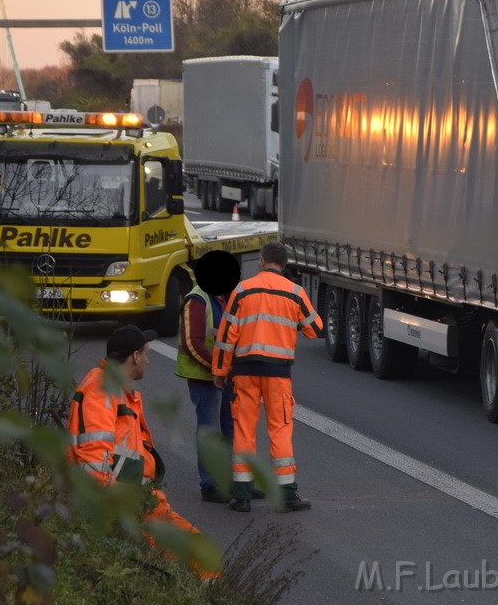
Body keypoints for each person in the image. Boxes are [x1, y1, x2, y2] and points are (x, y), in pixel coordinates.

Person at [66, 324, 218, 580]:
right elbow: (95, 464)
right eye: (146, 353)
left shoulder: (114, 390)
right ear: (134, 356)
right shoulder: (103, 392)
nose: (148, 360)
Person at [213, 241, 323, 513]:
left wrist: (219, 371)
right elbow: (315, 328)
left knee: (243, 432)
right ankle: (286, 496)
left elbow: (226, 338)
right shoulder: (295, 292)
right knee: (280, 430)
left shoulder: (242, 290)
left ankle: (242, 496)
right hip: (278, 374)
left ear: (262, 261)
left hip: (245, 373)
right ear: (284, 265)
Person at [176, 250, 239, 504]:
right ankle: (210, 484)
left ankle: (236, 481)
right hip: (205, 380)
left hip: (225, 377)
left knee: (232, 429)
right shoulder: (197, 300)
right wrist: (218, 369)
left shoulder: (227, 297)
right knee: (210, 430)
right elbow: (192, 344)